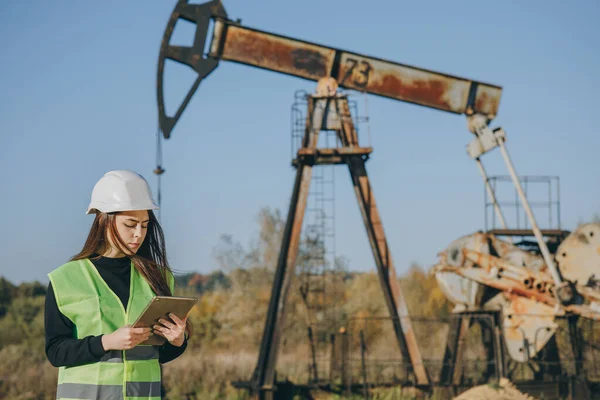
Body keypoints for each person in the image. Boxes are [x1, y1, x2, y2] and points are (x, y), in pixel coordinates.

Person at [44, 170, 191, 400]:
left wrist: (178, 340)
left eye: (144, 225)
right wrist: (106, 342)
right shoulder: (66, 279)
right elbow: (56, 352)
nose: (138, 234)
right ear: (104, 220)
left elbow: (160, 354)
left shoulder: (158, 277)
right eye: (130, 224)